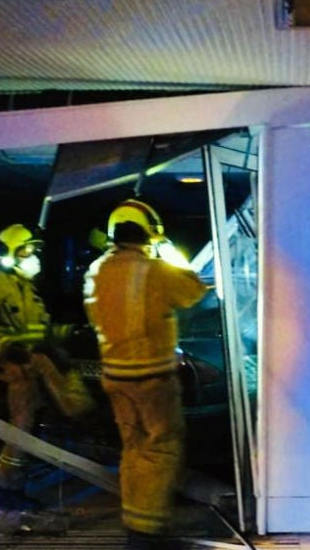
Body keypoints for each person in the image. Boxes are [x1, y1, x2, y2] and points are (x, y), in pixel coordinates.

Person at [83, 200, 208, 549]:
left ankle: (136, 526)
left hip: (115, 377)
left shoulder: (96, 270)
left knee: (133, 451)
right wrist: (170, 254)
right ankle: (147, 535)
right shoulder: (154, 270)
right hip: (152, 377)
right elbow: (194, 290)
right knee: (160, 451)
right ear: (149, 232)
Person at [0, 223, 94, 511]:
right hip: (14, 369)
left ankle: (14, 486)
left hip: (32, 365)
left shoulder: (26, 289)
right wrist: (7, 348)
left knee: (30, 427)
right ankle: (9, 490)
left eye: (35, 251)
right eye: (27, 250)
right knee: (21, 428)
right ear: (11, 252)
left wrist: (72, 332)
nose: (34, 257)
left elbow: (41, 332)